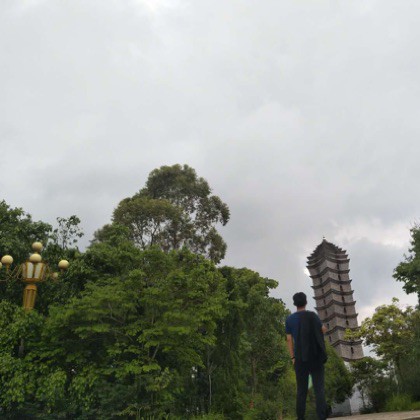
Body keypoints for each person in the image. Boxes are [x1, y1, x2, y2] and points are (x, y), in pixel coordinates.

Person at [286, 292, 328, 420]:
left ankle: (301, 418)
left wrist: (292, 357)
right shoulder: (313, 316)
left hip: (300, 358)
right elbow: (323, 329)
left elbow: (289, 339)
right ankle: (322, 417)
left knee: (301, 390)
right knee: (319, 389)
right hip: (315, 357)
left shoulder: (289, 319)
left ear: (295, 303)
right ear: (306, 302)